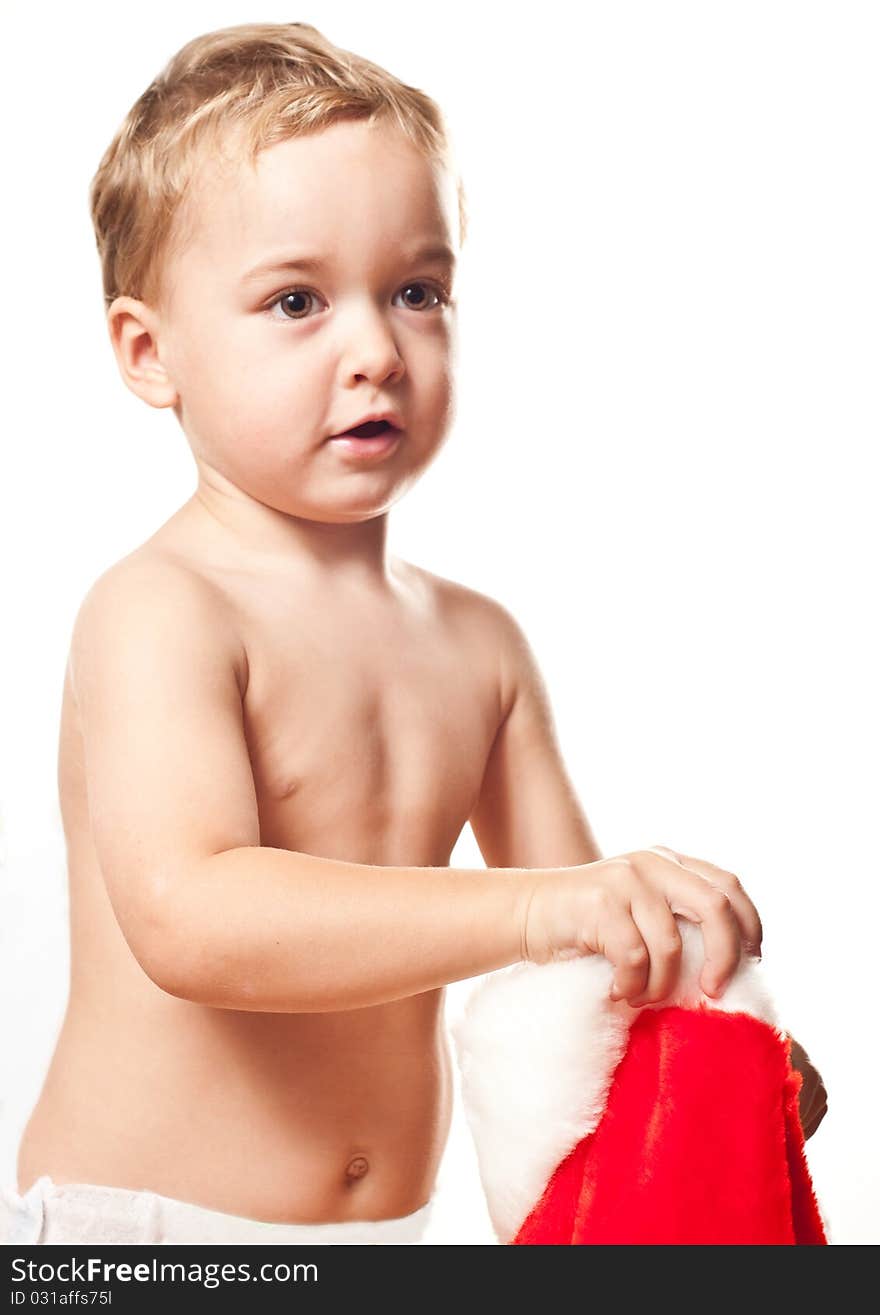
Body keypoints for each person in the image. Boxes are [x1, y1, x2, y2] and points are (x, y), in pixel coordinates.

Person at [4, 21, 825, 1246]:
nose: (376, 351)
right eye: (296, 300)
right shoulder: (160, 608)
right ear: (148, 350)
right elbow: (194, 918)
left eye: (416, 292)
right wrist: (553, 905)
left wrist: (710, 1034)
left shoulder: (478, 645)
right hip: (151, 1236)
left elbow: (583, 946)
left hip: (394, 1232)